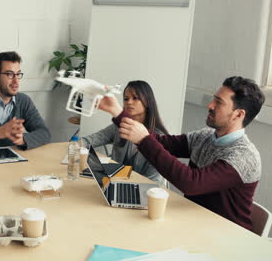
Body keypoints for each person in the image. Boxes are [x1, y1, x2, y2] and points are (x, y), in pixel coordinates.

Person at [98, 76, 264, 230]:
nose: (210, 105)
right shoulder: (204, 137)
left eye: (218, 102)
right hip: (194, 224)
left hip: (226, 235)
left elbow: (192, 184)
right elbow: (160, 142)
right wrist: (118, 113)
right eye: (214, 99)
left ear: (239, 114)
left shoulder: (243, 156)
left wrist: (143, 139)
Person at [82, 80, 168, 184]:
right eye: (126, 99)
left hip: (144, 192)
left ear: (147, 101)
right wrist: (74, 146)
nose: (129, 102)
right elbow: (91, 139)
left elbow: (153, 182)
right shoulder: (119, 126)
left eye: (135, 98)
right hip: (116, 183)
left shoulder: (160, 139)